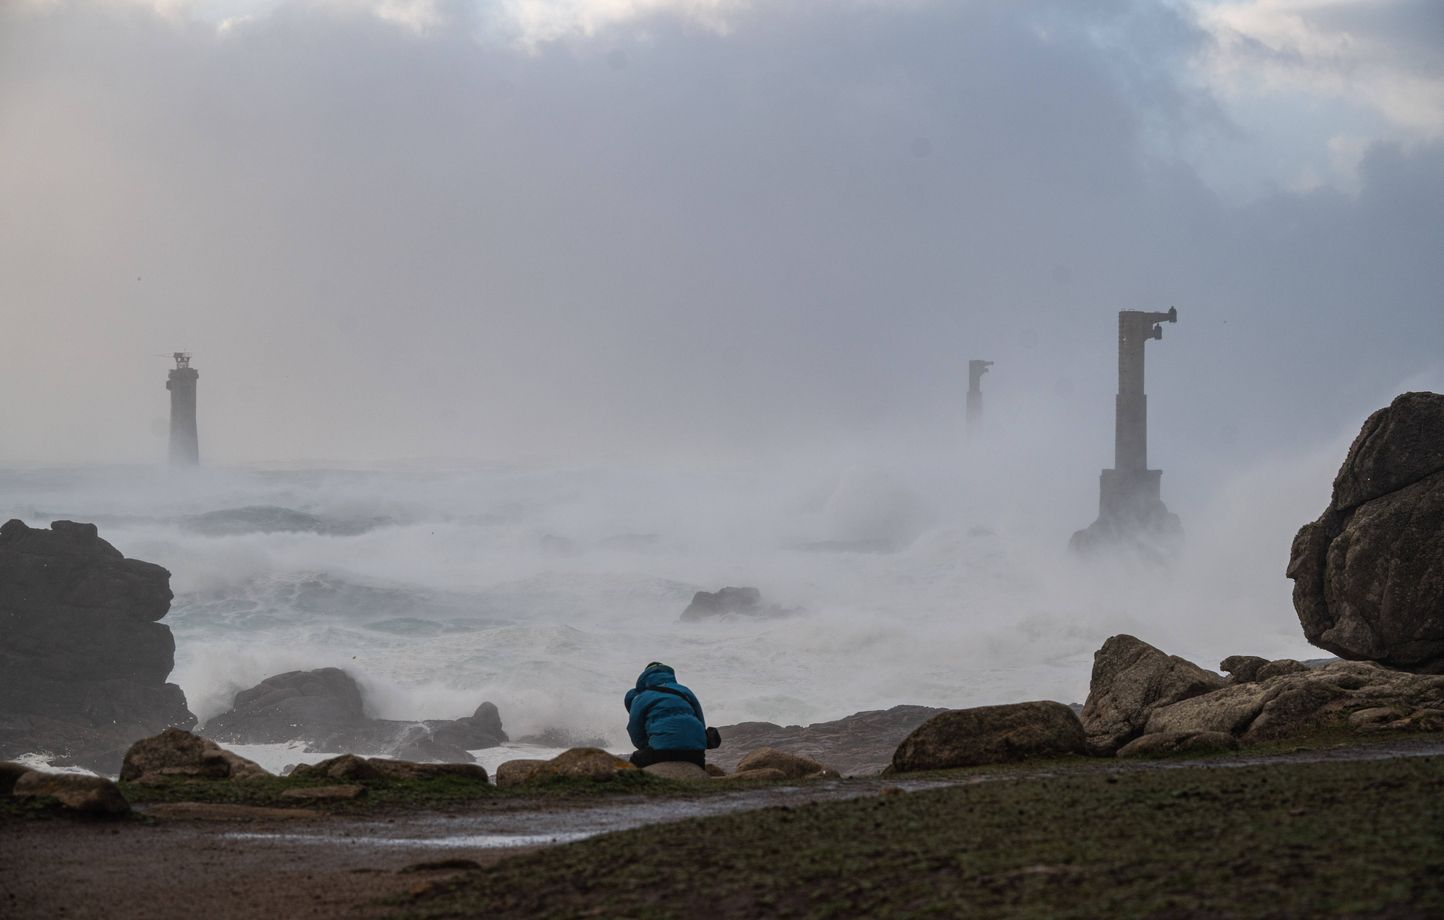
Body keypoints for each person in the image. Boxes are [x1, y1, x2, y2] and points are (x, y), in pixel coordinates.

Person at [624, 661, 708, 768]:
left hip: (663, 752)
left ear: (645, 679)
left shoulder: (641, 697)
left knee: (635, 761)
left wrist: (646, 746)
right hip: (696, 753)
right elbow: (701, 722)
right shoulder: (685, 690)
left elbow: (635, 729)